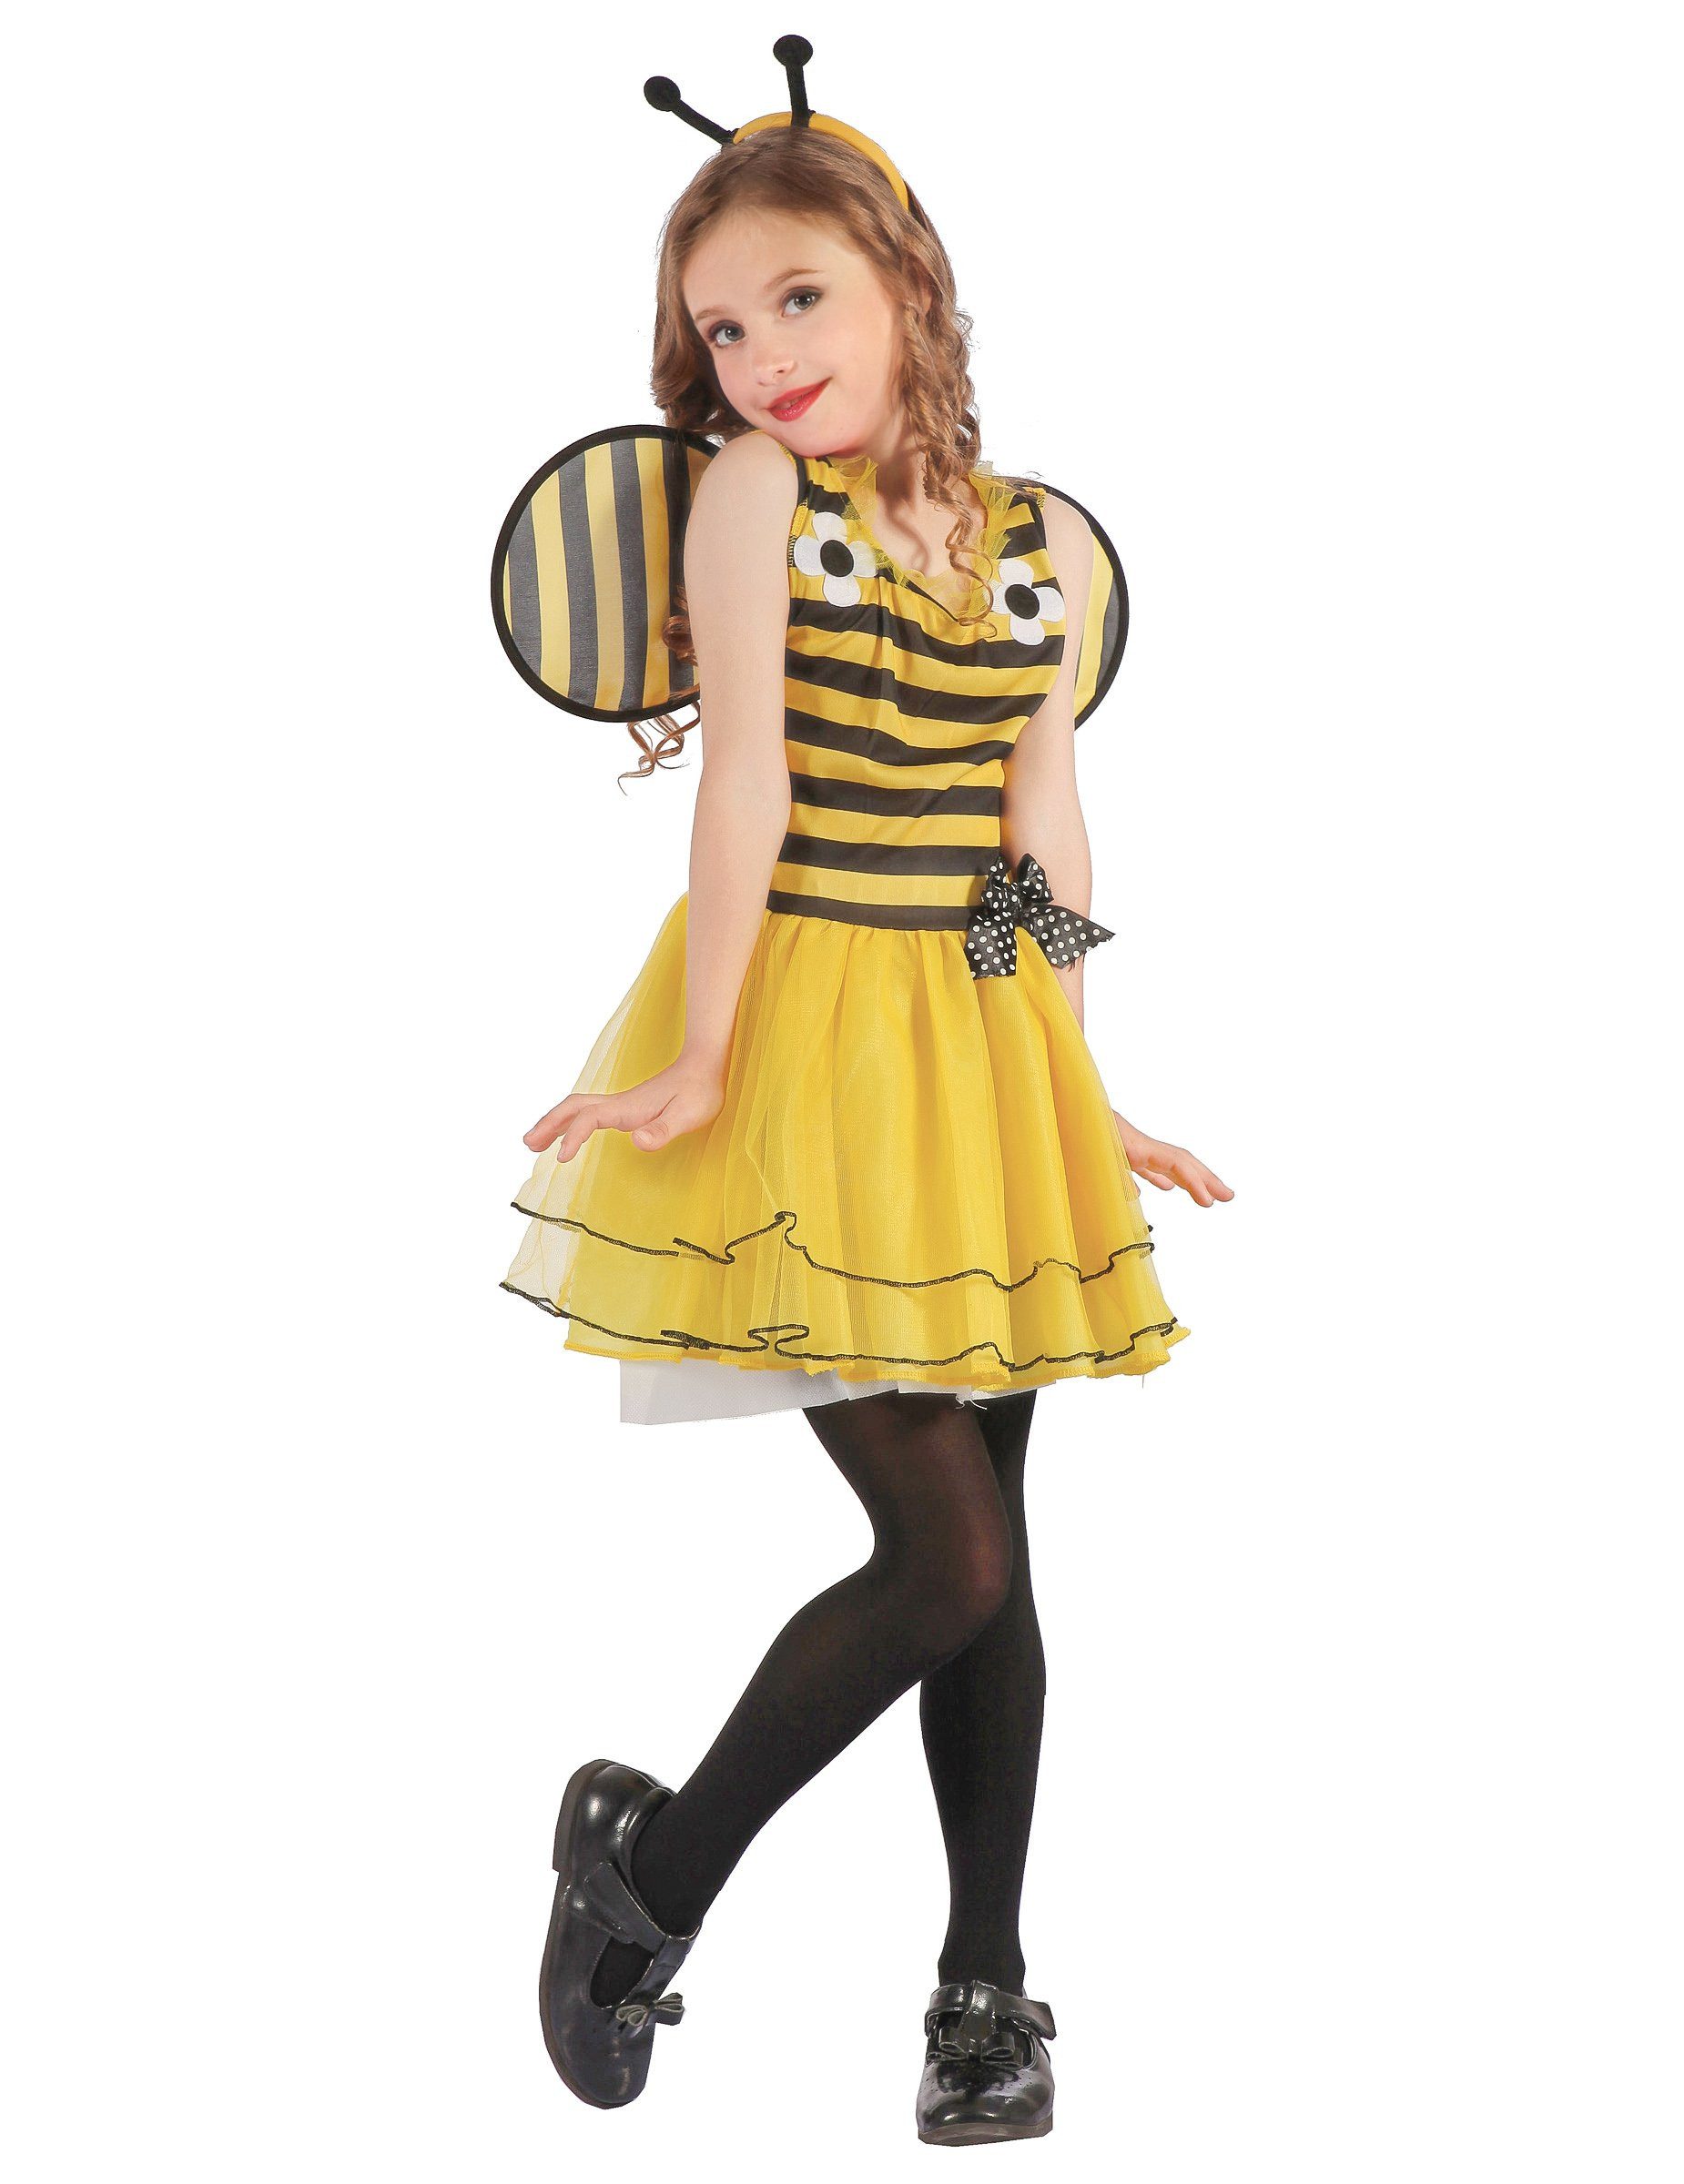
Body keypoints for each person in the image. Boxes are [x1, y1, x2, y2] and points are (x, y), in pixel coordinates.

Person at [499, 37, 1233, 2143]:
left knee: (998, 1541)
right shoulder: (758, 497)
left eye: (795, 297)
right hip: (808, 1032)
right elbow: (746, 784)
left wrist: (1074, 1080)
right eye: (721, 328)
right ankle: (647, 1877)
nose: (758, 356)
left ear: (909, 280)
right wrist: (705, 1050)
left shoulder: (1036, 542)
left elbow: (1034, 835)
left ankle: (982, 1993)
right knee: (947, 1557)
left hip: (974, 1044)